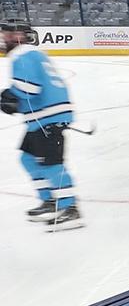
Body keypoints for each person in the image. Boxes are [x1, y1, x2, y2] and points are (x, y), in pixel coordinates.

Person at [1, 18, 83, 231]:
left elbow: (29, 89)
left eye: (9, 34)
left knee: (51, 163)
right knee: (28, 159)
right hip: (42, 116)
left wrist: (9, 97)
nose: (5, 38)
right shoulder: (32, 54)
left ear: (20, 36)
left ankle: (70, 208)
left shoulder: (23, 54)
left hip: (48, 116)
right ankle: (50, 201)